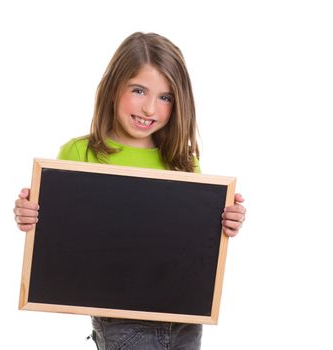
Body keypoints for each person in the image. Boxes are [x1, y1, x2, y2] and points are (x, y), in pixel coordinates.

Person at [13, 32, 246, 350]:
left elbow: (195, 241)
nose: (150, 108)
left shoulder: (183, 162)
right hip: (121, 322)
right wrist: (29, 215)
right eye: (139, 90)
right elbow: (55, 231)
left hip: (185, 317)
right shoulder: (80, 153)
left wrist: (226, 221)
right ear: (113, 87)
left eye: (165, 97)